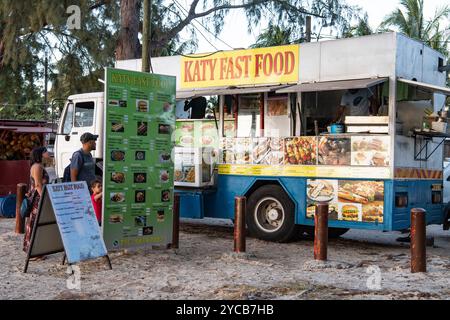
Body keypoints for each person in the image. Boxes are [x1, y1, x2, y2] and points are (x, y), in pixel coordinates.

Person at [23, 147, 50, 256]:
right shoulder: (38, 167)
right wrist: (45, 198)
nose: (48, 153)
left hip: (37, 198)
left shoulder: (38, 166)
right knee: (35, 223)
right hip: (37, 199)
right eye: (46, 152)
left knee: (34, 223)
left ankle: (35, 250)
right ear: (41, 154)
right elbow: (38, 185)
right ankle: (33, 251)